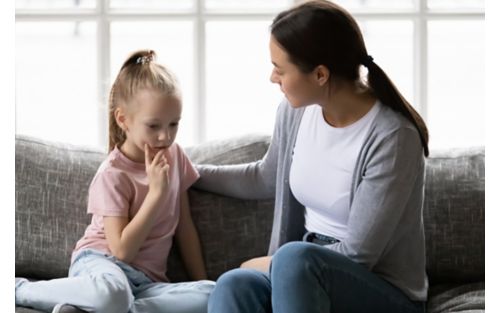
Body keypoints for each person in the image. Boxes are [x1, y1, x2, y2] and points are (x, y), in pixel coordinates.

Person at [194, 1, 429, 312]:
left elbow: (359, 255)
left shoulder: (392, 138)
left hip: (382, 290)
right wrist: (188, 171)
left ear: (320, 74)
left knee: (294, 258)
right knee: (234, 284)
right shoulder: (295, 114)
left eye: (279, 68)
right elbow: (266, 177)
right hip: (303, 271)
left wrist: (272, 263)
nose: (272, 78)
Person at [15, 50, 215, 313]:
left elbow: (185, 227)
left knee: (213, 292)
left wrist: (200, 279)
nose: (165, 137)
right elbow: (122, 251)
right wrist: (156, 195)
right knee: (113, 294)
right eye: (153, 126)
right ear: (124, 120)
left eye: (174, 124)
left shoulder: (175, 156)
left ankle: (98, 309)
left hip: (146, 284)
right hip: (101, 265)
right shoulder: (113, 174)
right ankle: (20, 289)